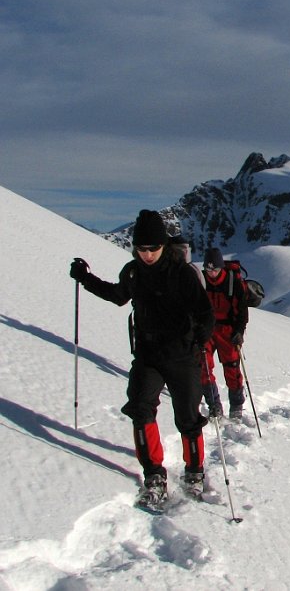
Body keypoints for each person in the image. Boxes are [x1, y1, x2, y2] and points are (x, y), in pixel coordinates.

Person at [69, 210, 214, 508]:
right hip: (148, 353)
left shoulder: (182, 273)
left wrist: (200, 338)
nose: (147, 255)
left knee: (188, 416)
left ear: (163, 245)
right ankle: (154, 474)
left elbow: (205, 312)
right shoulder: (133, 271)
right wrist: (85, 279)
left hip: (182, 354)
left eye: (153, 249)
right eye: (141, 249)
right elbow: (118, 295)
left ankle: (195, 471)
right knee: (140, 408)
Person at [201, 247, 248, 420]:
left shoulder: (233, 282)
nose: (212, 273)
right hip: (207, 328)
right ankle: (214, 404)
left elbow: (242, 310)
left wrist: (239, 331)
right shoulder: (201, 280)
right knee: (203, 365)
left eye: (215, 269)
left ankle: (236, 404)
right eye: (209, 269)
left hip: (228, 329)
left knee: (232, 367)